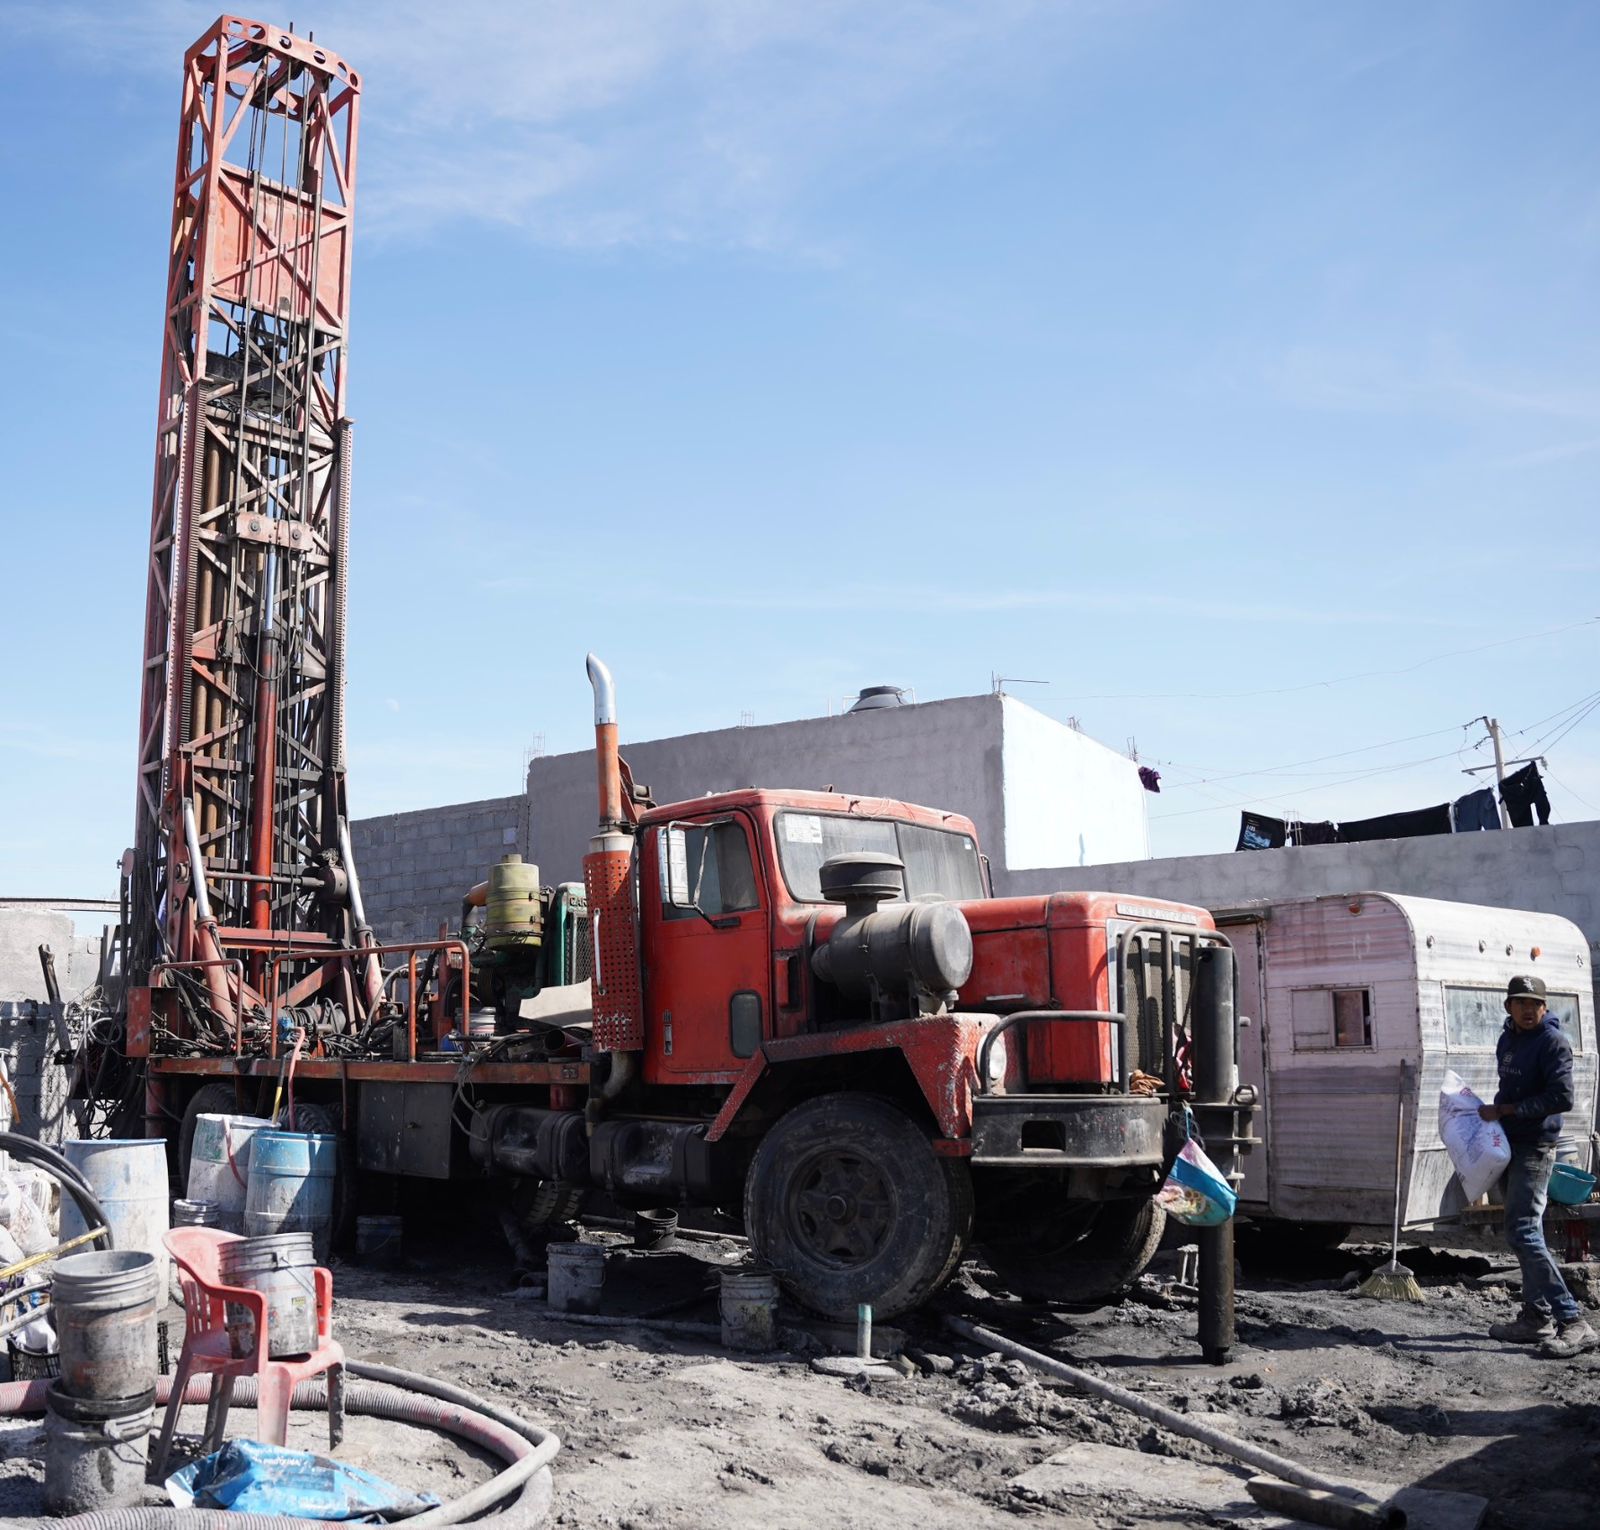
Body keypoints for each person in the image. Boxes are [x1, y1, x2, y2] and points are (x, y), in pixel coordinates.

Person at [1478, 975, 1597, 1358]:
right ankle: (1535, 1317)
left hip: (1536, 1146)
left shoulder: (1552, 1042)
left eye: (1536, 1004)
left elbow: (1560, 1097)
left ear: (1545, 1008)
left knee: (1524, 1231)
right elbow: (1507, 1089)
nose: (1529, 1010)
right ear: (1508, 1007)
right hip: (1508, 1144)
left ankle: (1573, 1320)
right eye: (1521, 1003)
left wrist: (1509, 1110)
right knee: (1526, 1233)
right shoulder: (1507, 1039)